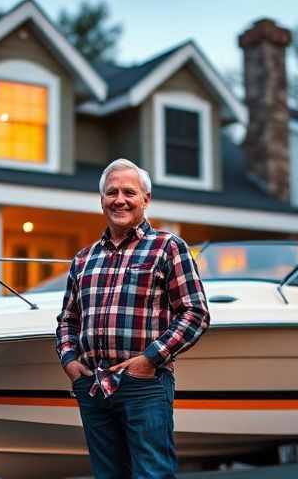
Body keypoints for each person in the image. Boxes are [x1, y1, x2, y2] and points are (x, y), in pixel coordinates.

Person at [55, 158, 210, 478]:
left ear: (145, 199)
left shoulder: (167, 247)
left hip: (145, 384)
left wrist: (149, 360)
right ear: (102, 201)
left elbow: (195, 313)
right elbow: (68, 319)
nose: (120, 199)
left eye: (129, 192)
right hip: (93, 385)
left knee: (152, 473)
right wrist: (70, 362)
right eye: (111, 192)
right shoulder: (84, 258)